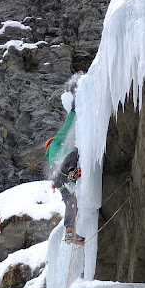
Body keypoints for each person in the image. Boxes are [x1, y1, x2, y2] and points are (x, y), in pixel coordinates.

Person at [45, 103, 85, 245]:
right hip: (64, 170)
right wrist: (73, 111)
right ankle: (72, 173)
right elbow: (66, 128)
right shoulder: (56, 143)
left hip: (58, 179)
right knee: (74, 154)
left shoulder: (50, 160)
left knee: (71, 201)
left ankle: (70, 231)